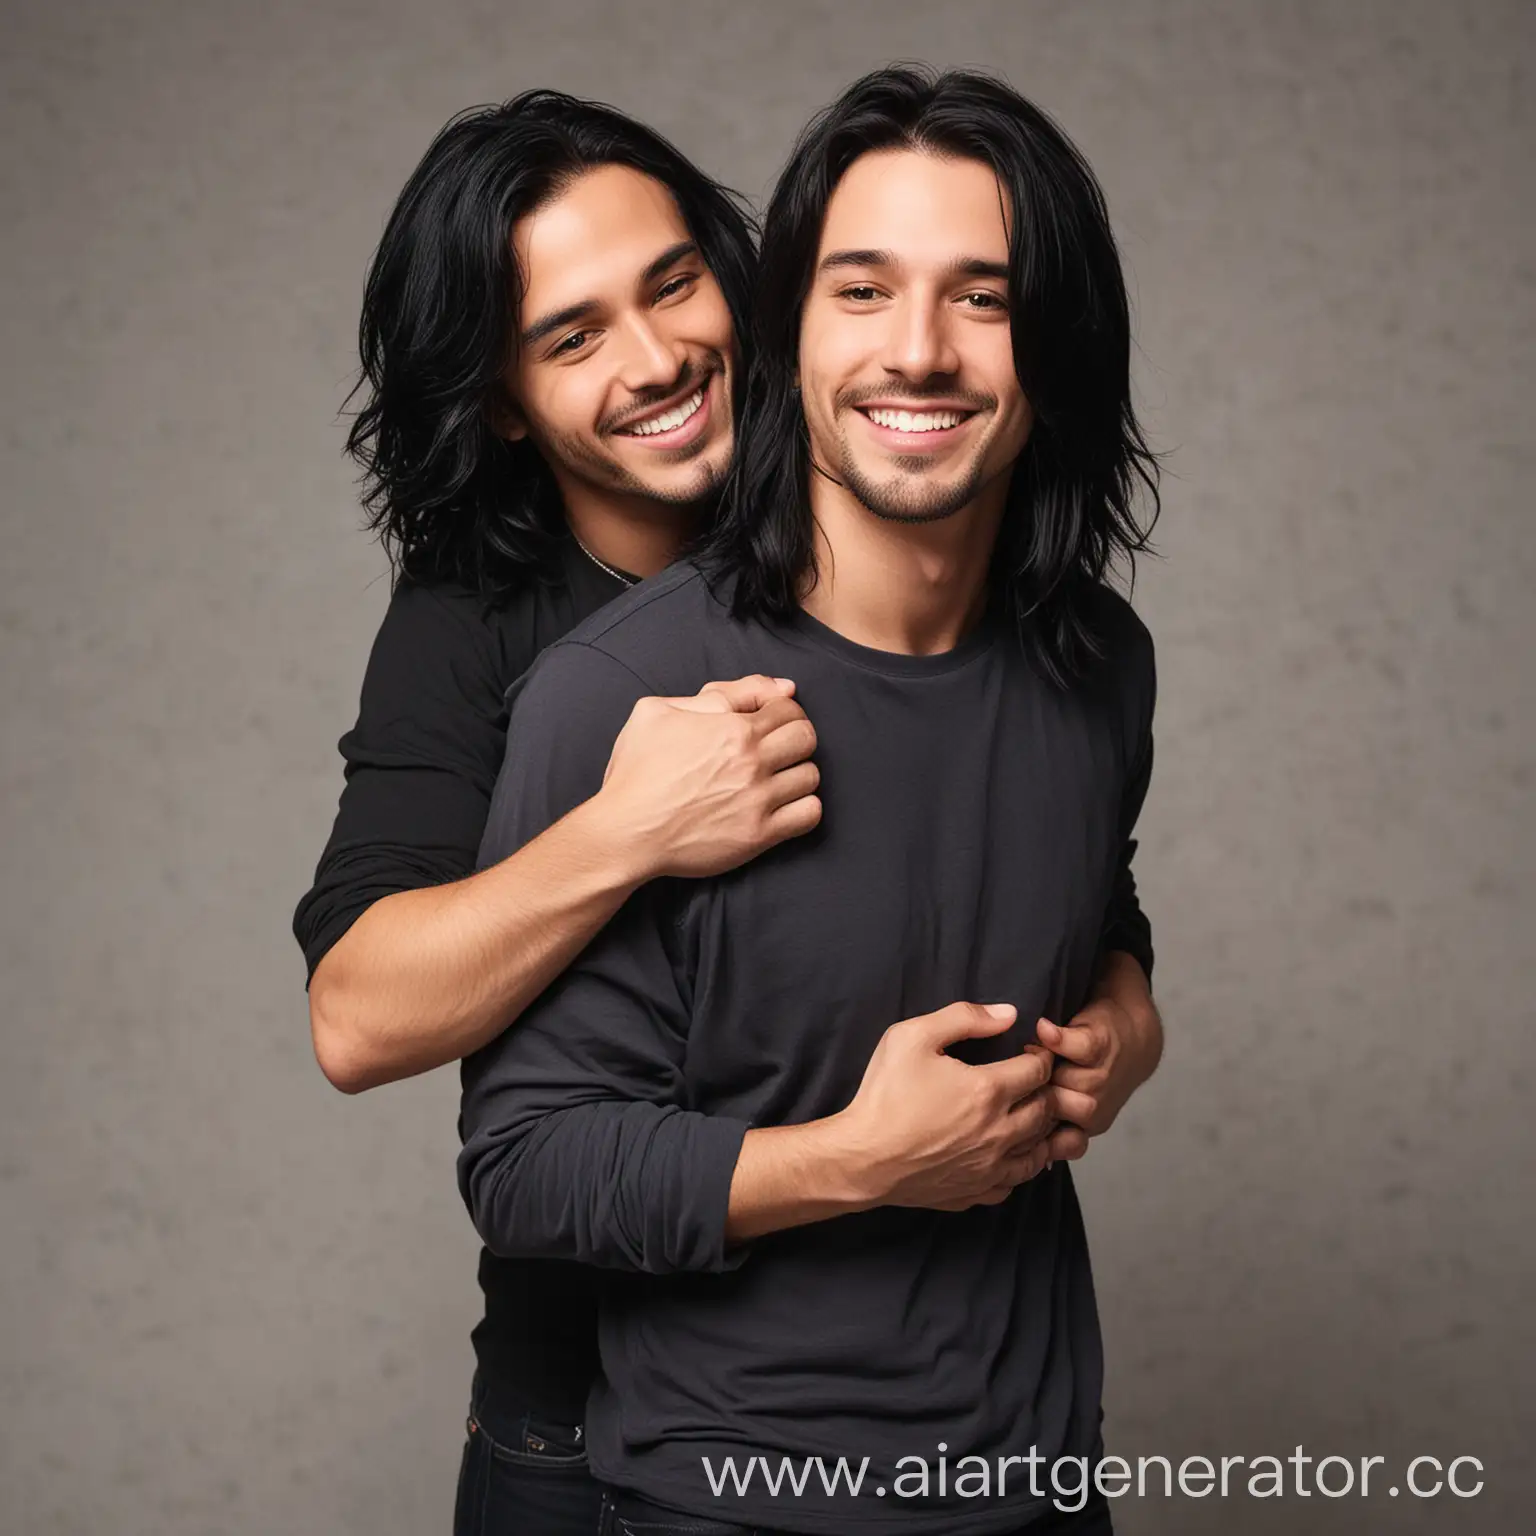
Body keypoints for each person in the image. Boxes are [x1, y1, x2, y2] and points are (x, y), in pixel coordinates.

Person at [458, 66, 1163, 1536]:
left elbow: (1081, 901)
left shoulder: (1098, 665)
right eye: (863, 290)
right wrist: (860, 1161)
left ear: (1061, 348)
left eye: (985, 297)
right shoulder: (623, 704)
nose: (921, 352)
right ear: (786, 329)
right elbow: (527, 1168)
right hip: (738, 1499)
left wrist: (1122, 1004)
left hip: (1047, 1484)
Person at [291, 92, 821, 1536]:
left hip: (893, 1397)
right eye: (572, 336)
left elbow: (1096, 893)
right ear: (499, 403)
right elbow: (358, 1018)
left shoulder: (872, 521)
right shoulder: (475, 616)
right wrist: (631, 829)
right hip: (578, 1425)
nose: (658, 361)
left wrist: (1120, 1015)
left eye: (674, 284)